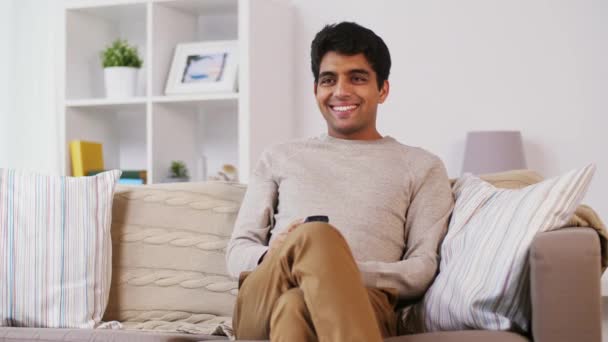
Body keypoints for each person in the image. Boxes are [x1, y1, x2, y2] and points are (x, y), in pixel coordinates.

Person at [226, 21, 454, 342]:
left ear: (383, 90)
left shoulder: (421, 166)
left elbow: (421, 269)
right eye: (328, 80)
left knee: (296, 305)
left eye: (357, 78)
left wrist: (329, 271)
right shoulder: (279, 156)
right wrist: (284, 255)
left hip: (364, 303)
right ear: (316, 90)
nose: (341, 91)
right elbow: (237, 253)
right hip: (263, 299)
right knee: (315, 237)